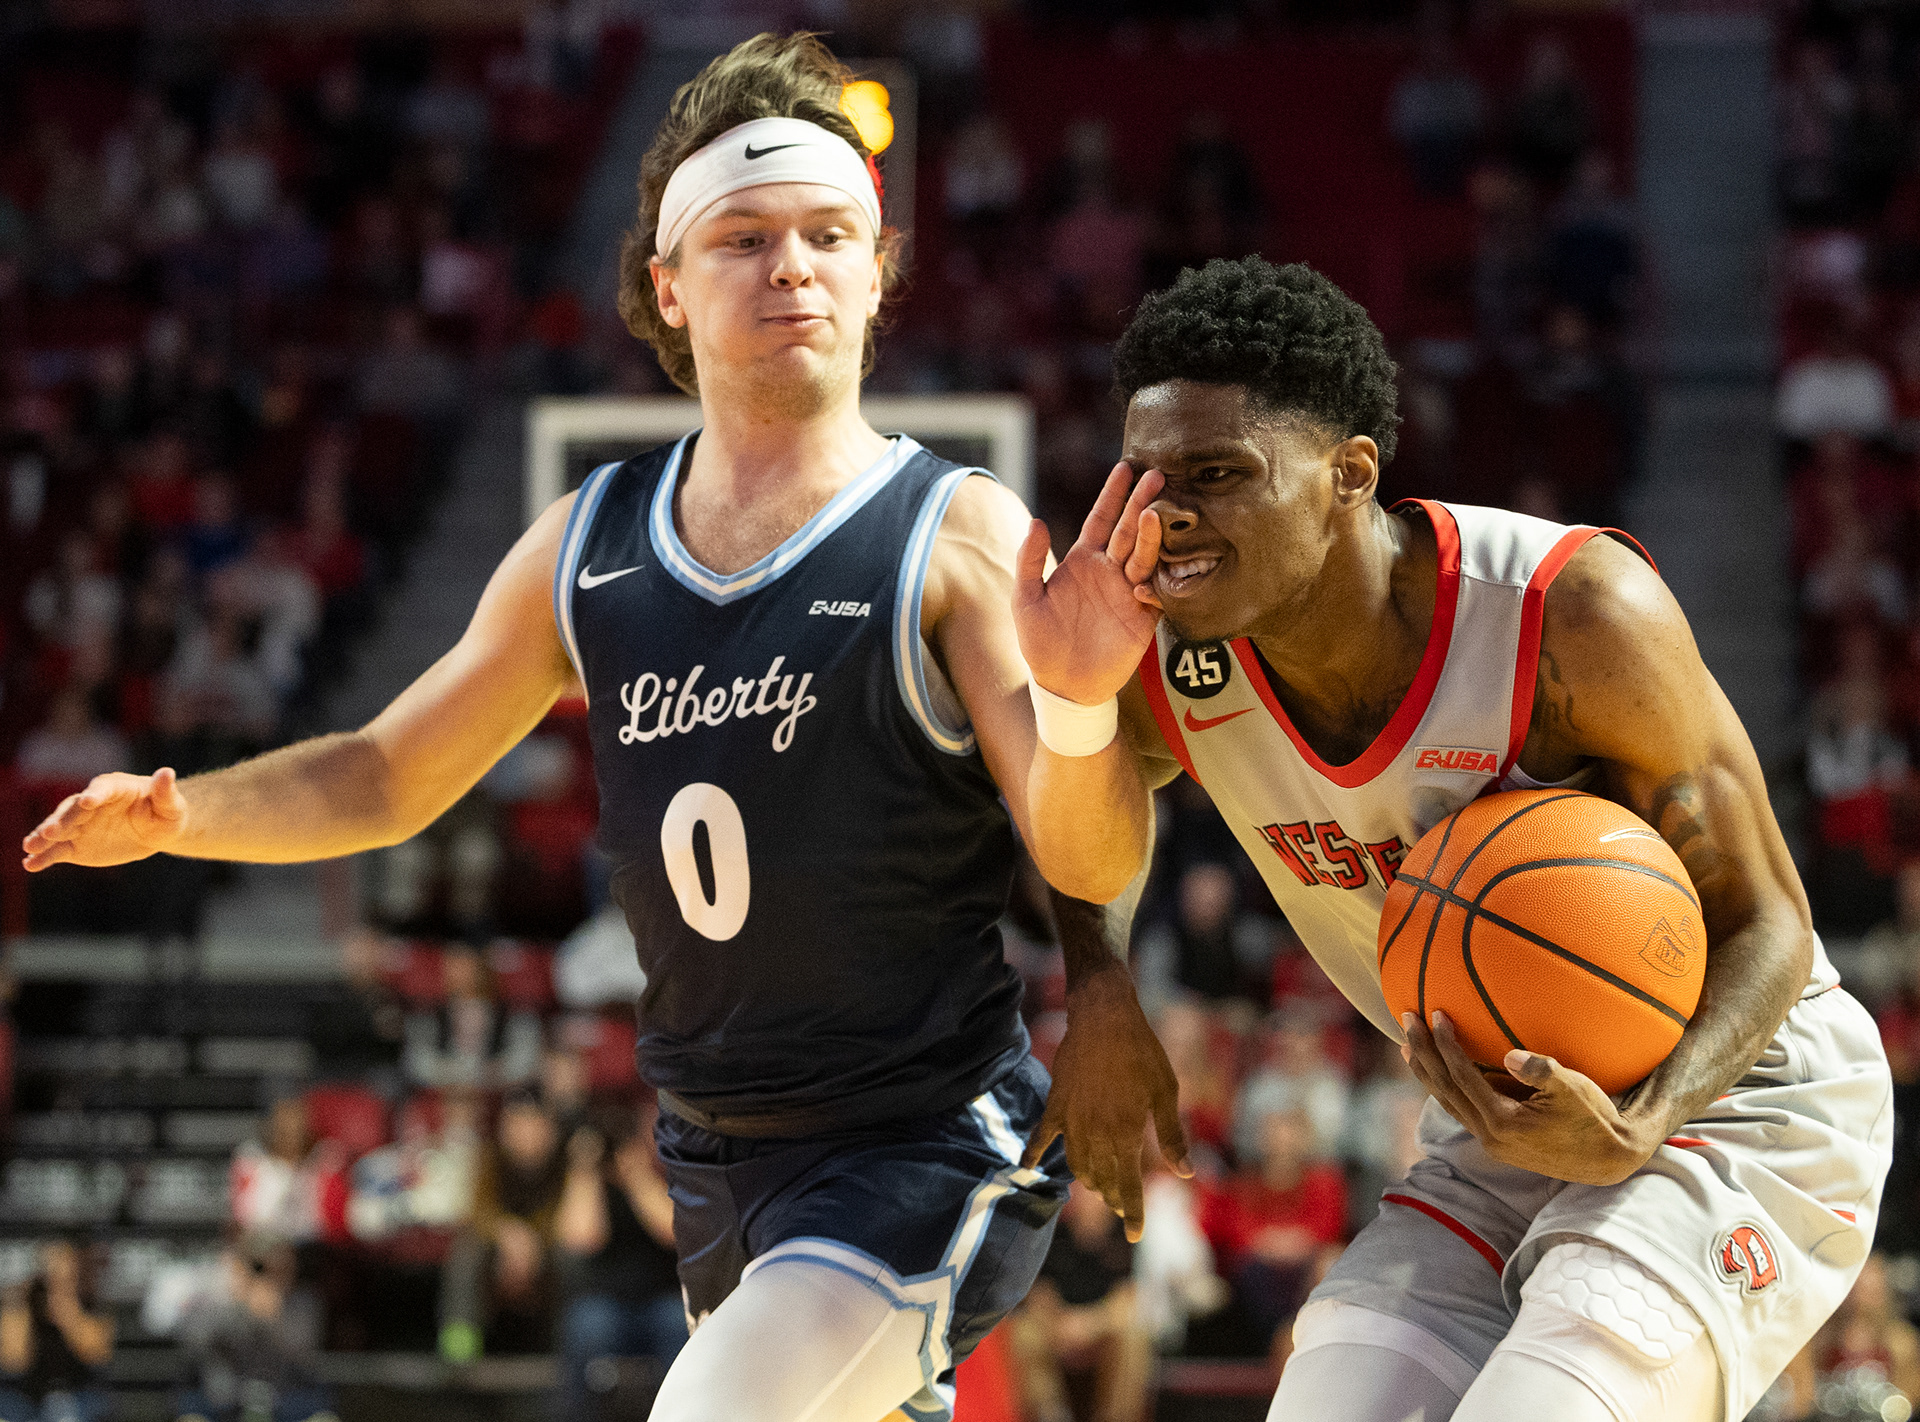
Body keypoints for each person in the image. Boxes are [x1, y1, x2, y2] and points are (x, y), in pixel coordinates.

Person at [23, 32, 1182, 1422]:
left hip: (918, 1141)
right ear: (667, 287)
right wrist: (183, 813)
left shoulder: (959, 535)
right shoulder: (588, 544)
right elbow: (391, 768)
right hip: (714, 1155)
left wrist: (1078, 702)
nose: (792, 266)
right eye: (743, 238)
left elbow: (1090, 854)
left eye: (829, 233)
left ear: (882, 271)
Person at [1012, 255, 1892, 1421]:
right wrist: (1103, 979)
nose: (1167, 514)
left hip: (1738, 1092)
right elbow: (1091, 847)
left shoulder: (1570, 614)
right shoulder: (1170, 653)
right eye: (1148, 477)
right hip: (1502, 1117)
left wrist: (1641, 1119)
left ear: (1348, 473)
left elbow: (1771, 923)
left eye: (1218, 475)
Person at [554, 1105, 686, 1417]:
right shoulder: (587, 1181)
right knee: (586, 1325)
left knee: (678, 1323)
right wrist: (585, 1168)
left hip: (660, 1301)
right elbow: (580, 1238)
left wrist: (637, 1175)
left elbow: (671, 1231)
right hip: (605, 1303)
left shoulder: (663, 1176)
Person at [0, 1243, 112, 1422]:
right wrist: (26, 1305)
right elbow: (14, 1360)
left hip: (77, 1393)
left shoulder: (87, 1301)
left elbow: (95, 1355)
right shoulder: (25, 1302)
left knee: (92, 1404)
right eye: (48, 1275)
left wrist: (64, 1303)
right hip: (26, 1397)